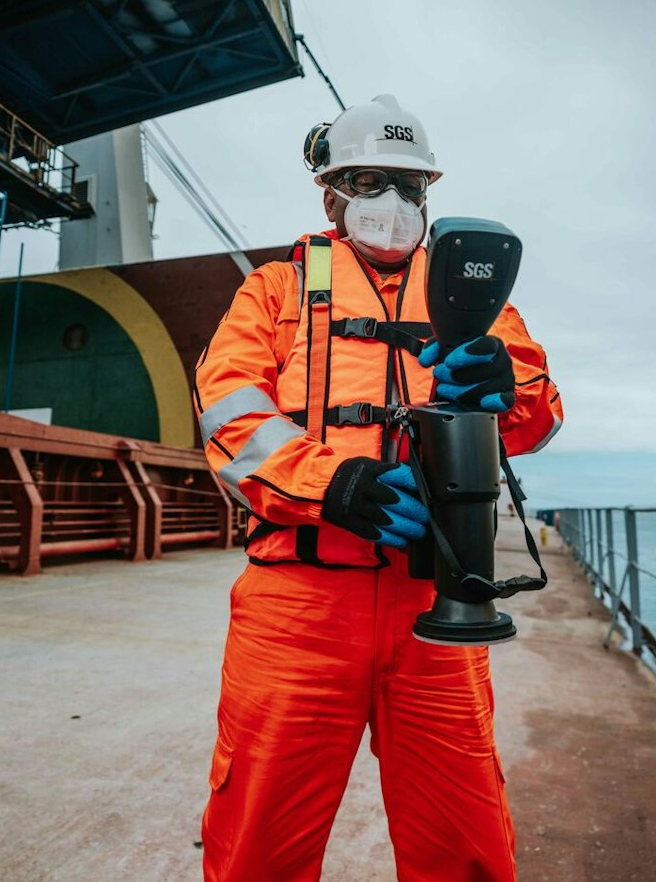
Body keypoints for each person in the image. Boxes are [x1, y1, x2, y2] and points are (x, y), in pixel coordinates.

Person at [193, 94, 563, 881]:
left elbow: (537, 410)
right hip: (296, 607)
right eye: (368, 181)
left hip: (436, 601)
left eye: (409, 185)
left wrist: (507, 379)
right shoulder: (276, 289)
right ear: (330, 193)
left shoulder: (473, 285)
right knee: (258, 843)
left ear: (429, 191)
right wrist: (333, 483)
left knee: (465, 841)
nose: (392, 204)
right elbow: (226, 409)